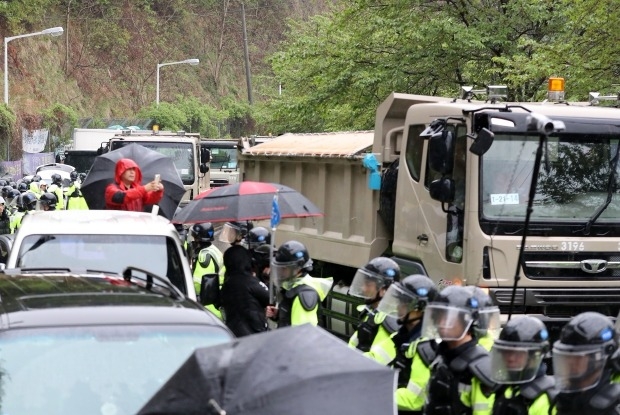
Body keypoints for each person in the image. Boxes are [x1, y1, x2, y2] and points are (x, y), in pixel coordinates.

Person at [421, 285, 497, 415]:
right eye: (439, 317)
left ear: (466, 320)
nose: (442, 323)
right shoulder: (439, 357)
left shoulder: (481, 368)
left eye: (449, 318)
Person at [375, 274, 438, 413]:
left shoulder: (427, 348)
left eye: (403, 302)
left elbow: (413, 399)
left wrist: (373, 395)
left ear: (418, 309)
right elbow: (373, 359)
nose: (398, 306)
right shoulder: (401, 336)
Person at [551, 311, 620, 414]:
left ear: (601, 359)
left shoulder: (614, 407)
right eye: (566, 358)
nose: (570, 365)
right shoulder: (562, 401)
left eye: (578, 358)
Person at [490, 316, 556, 415]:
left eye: (517, 353)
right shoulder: (503, 389)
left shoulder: (545, 399)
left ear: (535, 355)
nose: (510, 358)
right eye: (506, 352)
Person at [347, 257, 401, 364]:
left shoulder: (393, 323)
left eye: (368, 284)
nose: (363, 288)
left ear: (384, 290)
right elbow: (352, 346)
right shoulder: (375, 313)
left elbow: (374, 362)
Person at [269, 240, 333, 327]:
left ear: (297, 268)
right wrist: (278, 315)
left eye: (284, 268)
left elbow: (302, 334)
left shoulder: (304, 295)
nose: (280, 272)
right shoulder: (293, 287)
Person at [220, 244, 271, 337]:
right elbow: (270, 298)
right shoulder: (249, 281)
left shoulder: (228, 283)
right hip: (253, 334)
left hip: (233, 333)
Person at [190, 222, 225, 319]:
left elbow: (199, 283)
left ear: (197, 238)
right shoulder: (214, 249)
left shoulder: (204, 256)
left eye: (194, 236)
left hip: (208, 307)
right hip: (217, 299)